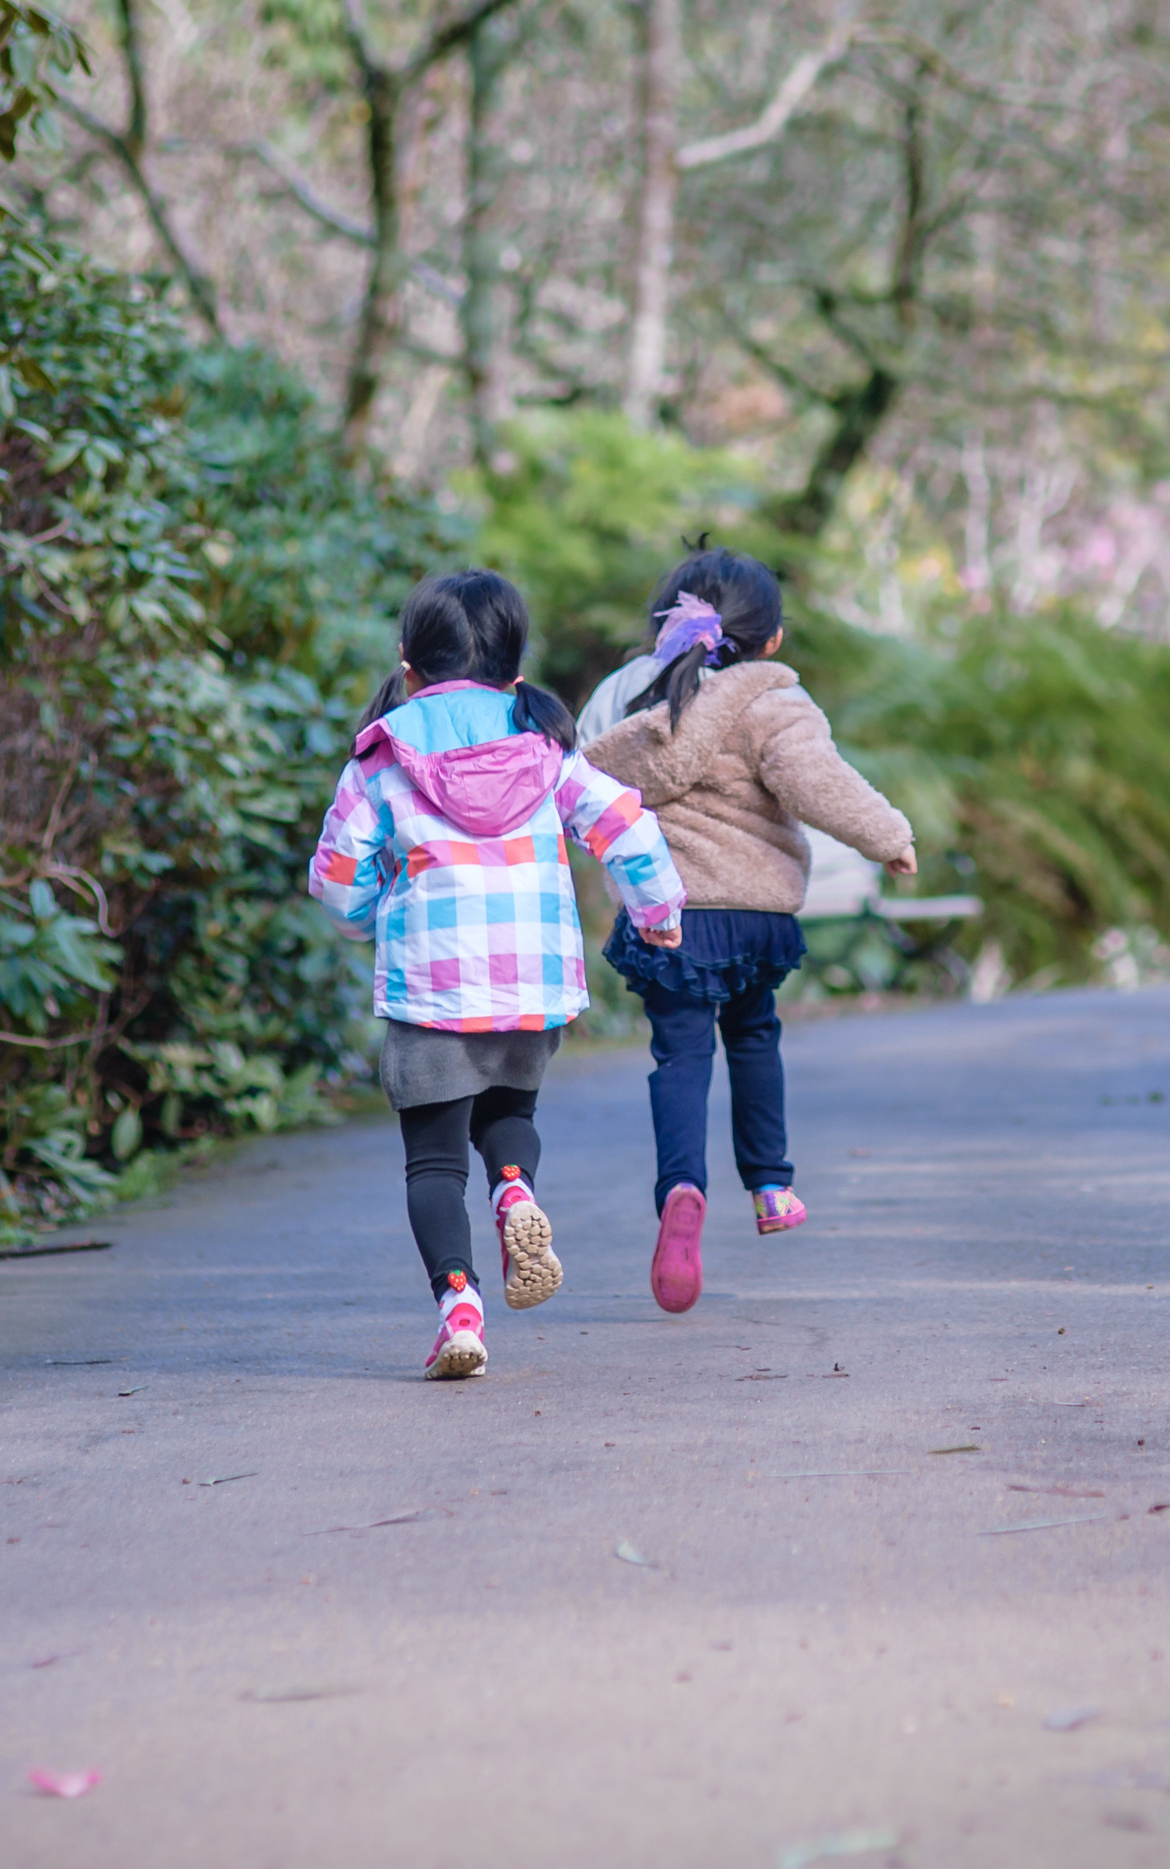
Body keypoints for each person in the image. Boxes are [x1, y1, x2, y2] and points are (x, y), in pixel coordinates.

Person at [309, 570, 685, 1379]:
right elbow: (626, 827)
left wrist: (376, 913)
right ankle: (515, 1190)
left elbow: (338, 880)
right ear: (515, 670)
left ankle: (459, 1310)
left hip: (432, 989)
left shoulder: (384, 757)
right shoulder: (545, 749)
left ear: (407, 664)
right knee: (509, 1112)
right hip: (530, 984)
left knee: (434, 1161)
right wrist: (657, 916)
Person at [581, 547, 915, 1314]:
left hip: (669, 912)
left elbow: (584, 785)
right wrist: (888, 835)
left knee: (680, 1055)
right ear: (770, 639)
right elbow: (818, 783)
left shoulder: (628, 697)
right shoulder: (775, 701)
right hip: (756, 914)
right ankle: (769, 1185)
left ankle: (681, 1189)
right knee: (754, 1037)